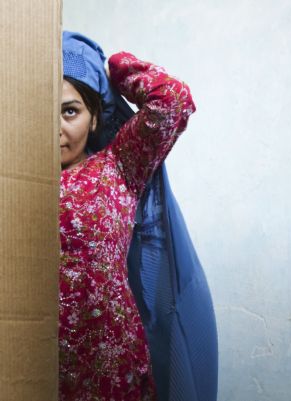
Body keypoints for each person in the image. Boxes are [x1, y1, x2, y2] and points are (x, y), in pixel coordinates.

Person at [59, 31, 196, 401]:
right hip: (32, 356)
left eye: (69, 110)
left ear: (93, 118)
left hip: (109, 364)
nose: (53, 127)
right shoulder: (14, 181)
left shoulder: (118, 166)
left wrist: (116, 70)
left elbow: (172, 100)